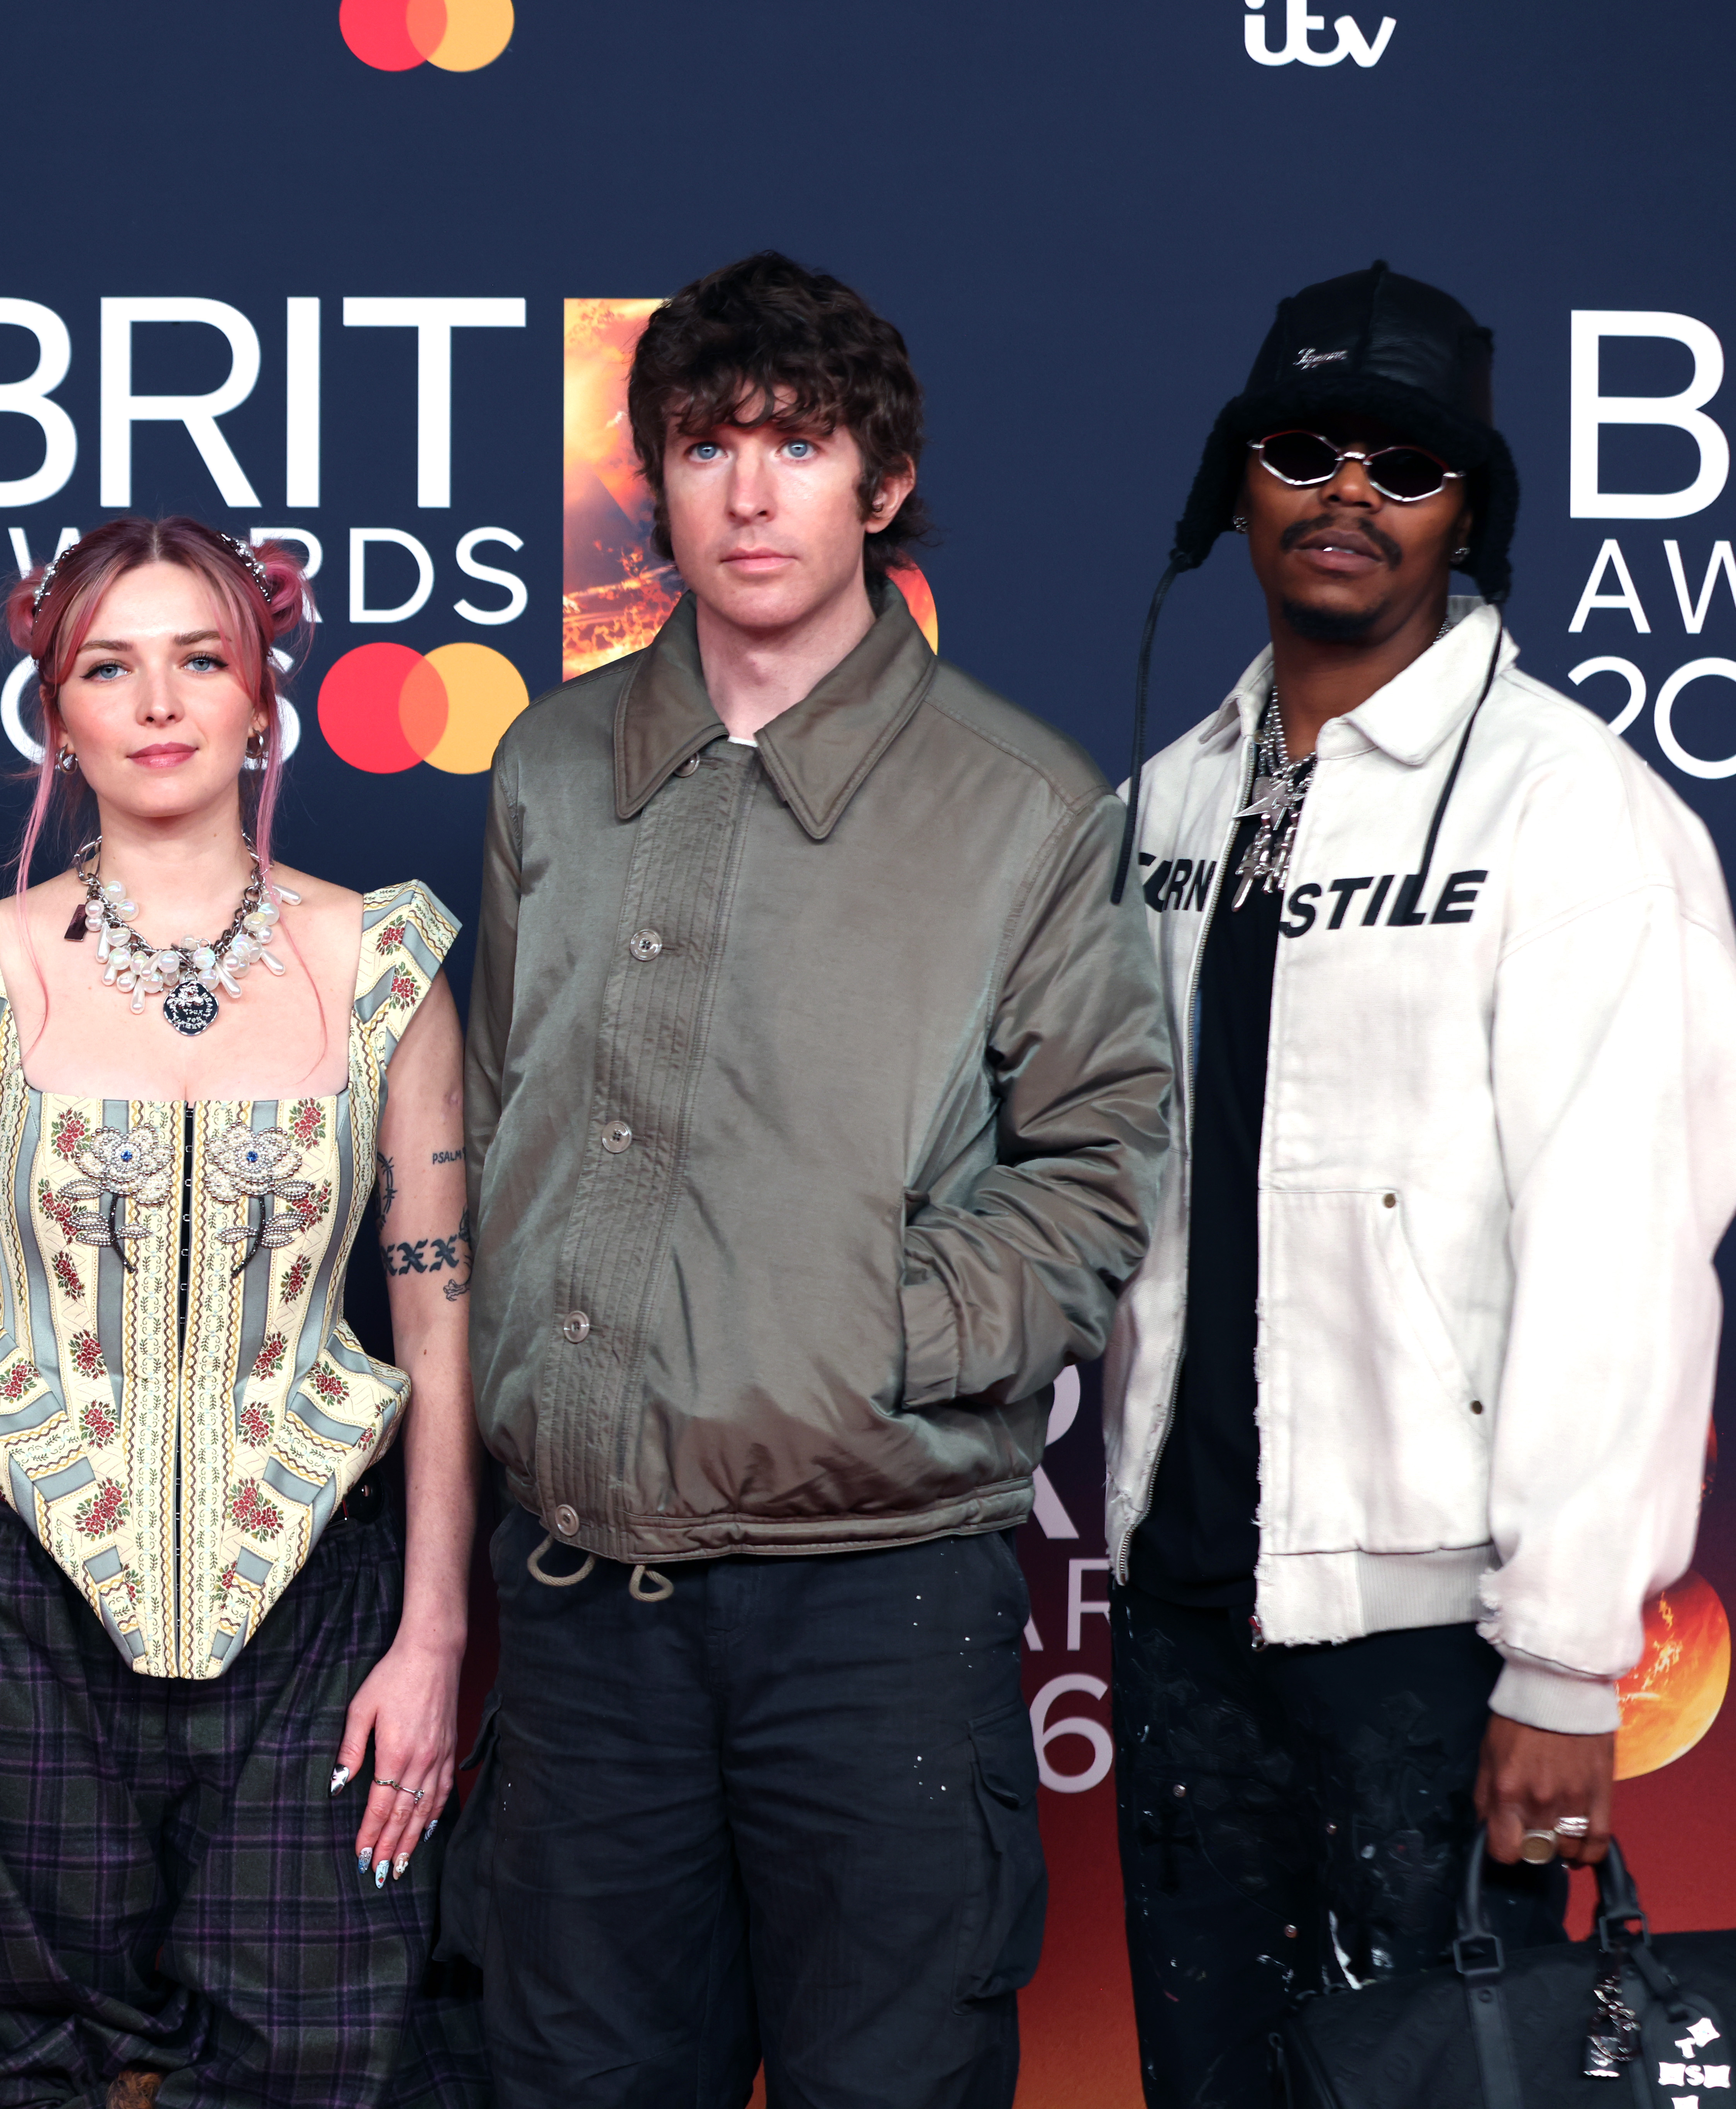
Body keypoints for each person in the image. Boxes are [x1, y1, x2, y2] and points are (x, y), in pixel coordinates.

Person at [454, 251, 1175, 2106]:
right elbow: (490, 1110)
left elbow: (1098, 1163)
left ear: (882, 478)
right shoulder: (545, 767)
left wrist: (869, 1336)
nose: (749, 493)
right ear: (654, 484)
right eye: (705, 447)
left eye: (796, 443)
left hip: (875, 1603)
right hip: (583, 1597)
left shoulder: (1018, 802)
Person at [1101, 262, 1736, 2107]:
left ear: (1470, 514)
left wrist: (1563, 1663)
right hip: (1184, 1603)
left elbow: (1624, 1249)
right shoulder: (1162, 805)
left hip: (1436, 1641)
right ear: (1233, 488)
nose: (1348, 494)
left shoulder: (1570, 808)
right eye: (1303, 450)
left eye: (1406, 463)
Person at [0, 517, 486, 2107]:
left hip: (315, 1606)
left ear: (264, 693)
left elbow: (440, 1327)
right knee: (12, 2073)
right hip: (1, 1604)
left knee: (316, 2063)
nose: (161, 701)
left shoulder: (386, 962)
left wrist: (434, 1634)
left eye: (201, 658)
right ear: (55, 708)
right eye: (110, 667)